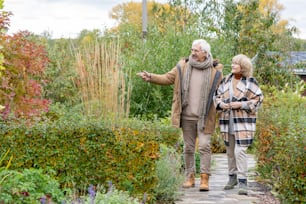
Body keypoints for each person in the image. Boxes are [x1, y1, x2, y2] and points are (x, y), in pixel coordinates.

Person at [137, 39, 223, 191]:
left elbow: (222, 92)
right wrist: (150, 77)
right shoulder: (182, 67)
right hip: (186, 116)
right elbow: (167, 78)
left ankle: (204, 179)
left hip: (205, 116)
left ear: (205, 52)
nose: (193, 53)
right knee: (188, 148)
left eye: (196, 50)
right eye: (192, 50)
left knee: (204, 146)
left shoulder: (216, 72)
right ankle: (189, 177)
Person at [213, 54, 263, 195]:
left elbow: (258, 99)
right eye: (232, 62)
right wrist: (221, 103)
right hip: (227, 120)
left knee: (239, 151)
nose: (233, 65)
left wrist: (241, 104)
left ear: (244, 67)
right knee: (230, 151)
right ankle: (232, 177)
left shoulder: (250, 82)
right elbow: (216, 96)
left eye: (236, 63)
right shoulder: (226, 81)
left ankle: (243, 181)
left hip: (243, 122)